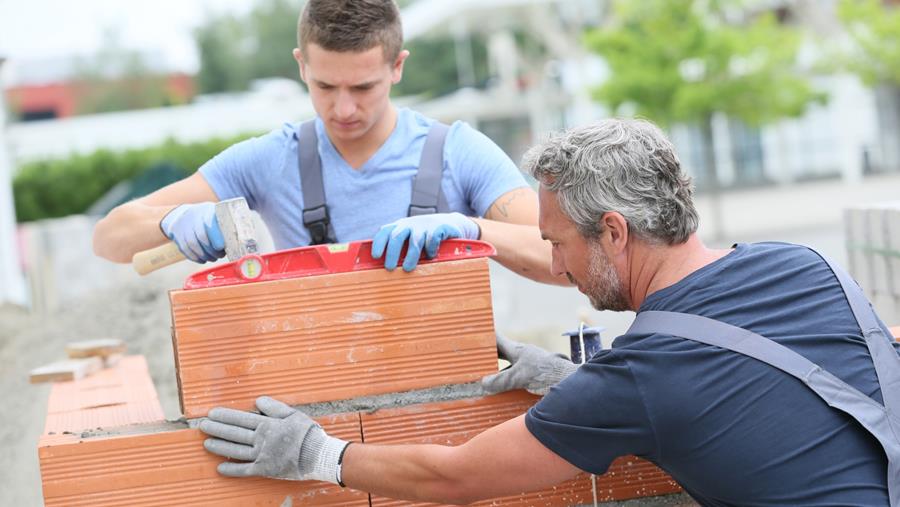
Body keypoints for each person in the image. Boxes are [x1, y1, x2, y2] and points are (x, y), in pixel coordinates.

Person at [198, 119, 899, 506]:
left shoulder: (641, 377)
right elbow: (768, 388)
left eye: (557, 242)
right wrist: (576, 384)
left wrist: (318, 452)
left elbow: (455, 476)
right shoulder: (801, 263)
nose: (555, 267)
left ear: (615, 232)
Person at [92, 0, 563, 285]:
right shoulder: (270, 160)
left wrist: (470, 229)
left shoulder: (459, 153)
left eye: (363, 88)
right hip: (321, 402)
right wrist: (175, 221)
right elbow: (109, 237)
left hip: (445, 393)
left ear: (397, 66)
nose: (342, 110)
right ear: (301, 65)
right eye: (324, 87)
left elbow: (560, 260)